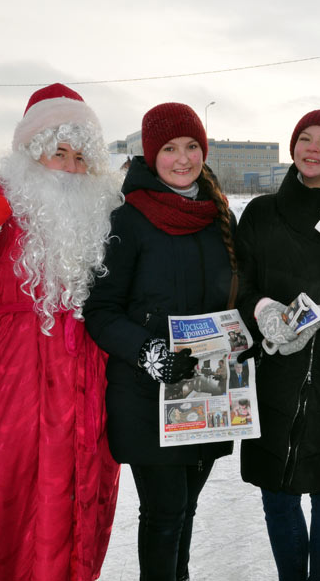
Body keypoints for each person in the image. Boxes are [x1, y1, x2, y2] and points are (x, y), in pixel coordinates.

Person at [0, 83, 123, 580]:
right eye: (59, 153)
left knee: (85, 497)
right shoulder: (6, 204)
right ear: (32, 156)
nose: (73, 167)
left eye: (82, 157)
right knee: (7, 498)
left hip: (89, 381)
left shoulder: (105, 217)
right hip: (18, 383)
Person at [82, 102, 237, 581]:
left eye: (192, 146)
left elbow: (234, 293)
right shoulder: (127, 221)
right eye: (169, 149)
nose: (183, 158)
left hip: (206, 394)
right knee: (165, 514)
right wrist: (148, 352)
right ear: (151, 155)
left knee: (185, 510)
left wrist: (242, 334)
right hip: (147, 395)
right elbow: (101, 311)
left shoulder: (216, 216)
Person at [235, 110, 320, 581]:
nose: (313, 149)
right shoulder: (261, 212)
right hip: (275, 374)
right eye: (305, 139)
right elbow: (239, 284)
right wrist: (263, 311)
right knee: (277, 491)